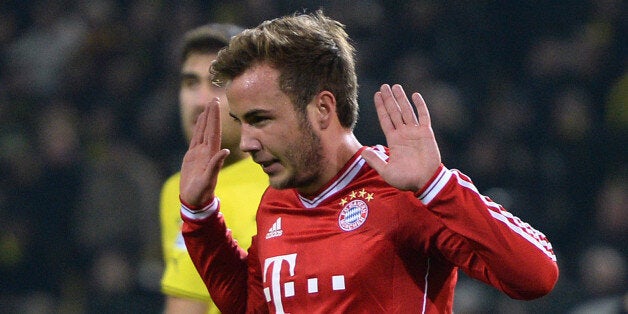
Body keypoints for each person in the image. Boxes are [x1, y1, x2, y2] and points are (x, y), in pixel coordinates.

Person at [178, 11, 559, 313]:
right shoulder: (277, 203)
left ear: (322, 108)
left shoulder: (407, 189)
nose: (247, 142)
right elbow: (251, 307)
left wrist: (438, 187)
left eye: (260, 119)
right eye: (241, 123)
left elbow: (536, 277)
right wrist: (200, 217)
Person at [159, 23, 268, 314]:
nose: (200, 101)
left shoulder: (290, 180)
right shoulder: (178, 189)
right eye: (190, 83)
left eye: (217, 83)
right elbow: (188, 303)